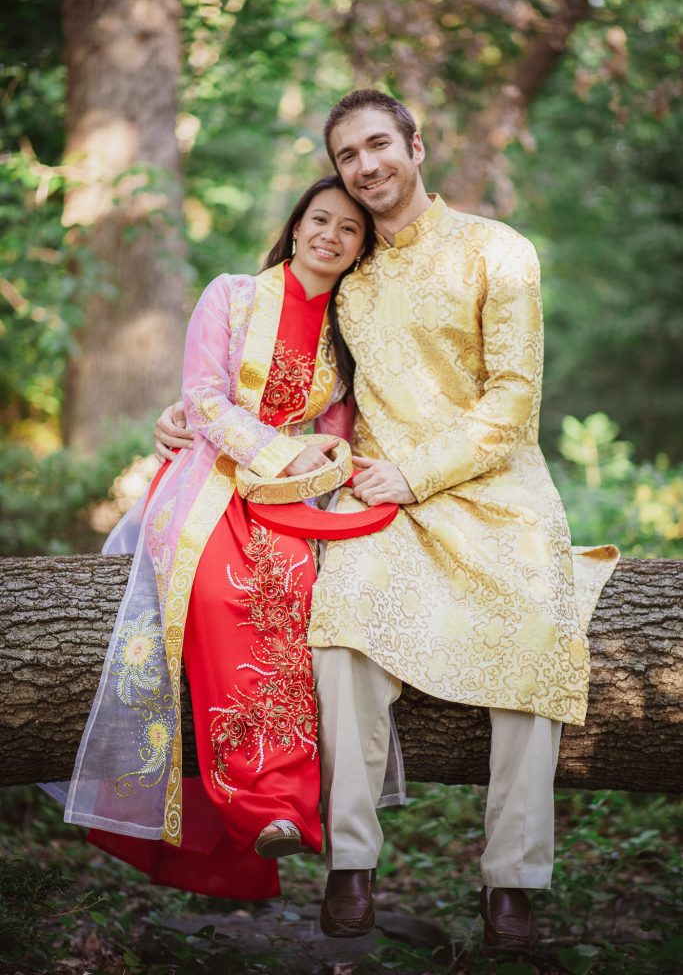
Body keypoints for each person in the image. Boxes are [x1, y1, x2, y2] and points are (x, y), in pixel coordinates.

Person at [155, 90, 620, 952]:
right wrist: (184, 420)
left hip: (494, 492)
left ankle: (511, 884)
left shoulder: (496, 251)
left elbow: (514, 400)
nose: (365, 167)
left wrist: (417, 473)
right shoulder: (350, 276)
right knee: (339, 637)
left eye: (378, 146)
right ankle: (352, 864)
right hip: (375, 498)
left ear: (414, 144)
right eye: (347, 157)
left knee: (539, 638)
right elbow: (279, 377)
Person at [52, 175, 375, 901]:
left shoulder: (349, 333)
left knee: (291, 589)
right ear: (295, 227)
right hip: (207, 477)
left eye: (348, 229)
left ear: (359, 250)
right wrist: (276, 450)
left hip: (288, 498)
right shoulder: (231, 294)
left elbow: (335, 432)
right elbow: (200, 397)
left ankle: (284, 809)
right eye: (318, 219)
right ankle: (255, 801)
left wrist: (322, 459)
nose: (329, 235)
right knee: (221, 591)